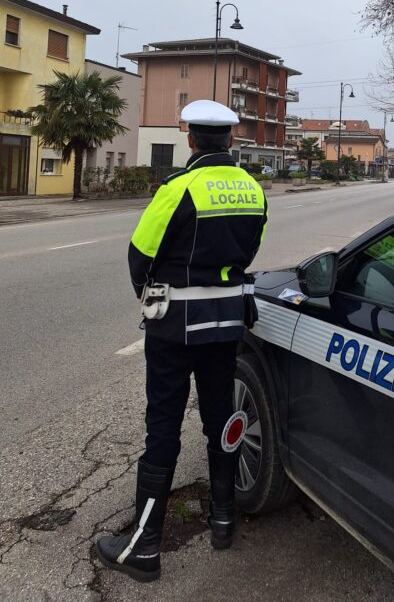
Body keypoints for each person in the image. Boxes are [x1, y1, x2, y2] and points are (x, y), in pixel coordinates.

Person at [95, 100, 267, 583]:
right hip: (226, 325)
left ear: (190, 138)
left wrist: (150, 294)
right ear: (230, 138)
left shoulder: (179, 187)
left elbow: (140, 253)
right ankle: (223, 521)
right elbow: (249, 249)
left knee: (163, 426)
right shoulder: (253, 188)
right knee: (220, 417)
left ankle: (145, 545)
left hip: (174, 328)